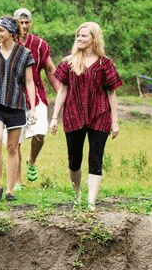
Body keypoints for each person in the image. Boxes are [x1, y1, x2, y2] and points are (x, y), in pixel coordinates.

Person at [49, 22, 121, 211]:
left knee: (95, 159)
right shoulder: (68, 62)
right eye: (78, 36)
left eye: (84, 36)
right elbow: (62, 91)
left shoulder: (105, 64)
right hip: (73, 115)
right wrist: (55, 117)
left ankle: (91, 203)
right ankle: (78, 194)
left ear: (94, 38)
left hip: (100, 115)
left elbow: (111, 93)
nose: (80, 39)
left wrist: (115, 122)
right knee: (74, 160)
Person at [0, 15, 36, 202]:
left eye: (1, 30)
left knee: (12, 148)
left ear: (11, 32)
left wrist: (33, 108)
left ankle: (10, 190)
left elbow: (29, 82)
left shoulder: (25, 54)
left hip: (17, 104)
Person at [14, 8, 61, 187]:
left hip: (37, 96)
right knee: (15, 141)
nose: (24, 26)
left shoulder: (40, 44)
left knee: (41, 132)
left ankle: (32, 161)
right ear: (15, 23)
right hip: (15, 97)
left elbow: (50, 70)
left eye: (27, 22)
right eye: (20, 22)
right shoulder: (9, 42)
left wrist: (60, 92)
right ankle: (17, 180)